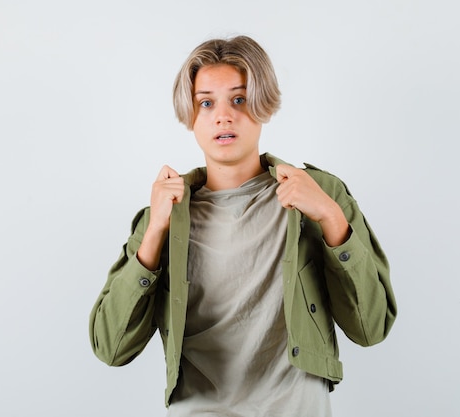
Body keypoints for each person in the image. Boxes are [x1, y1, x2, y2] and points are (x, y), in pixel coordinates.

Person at [89, 35, 397, 416]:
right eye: (206, 103)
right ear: (191, 115)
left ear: (264, 104)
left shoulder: (319, 193)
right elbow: (111, 348)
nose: (223, 116)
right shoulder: (165, 212)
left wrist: (332, 218)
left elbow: (371, 327)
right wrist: (154, 233)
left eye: (239, 99)